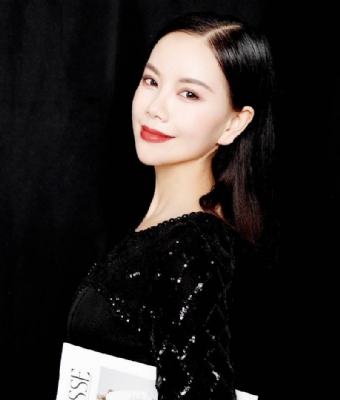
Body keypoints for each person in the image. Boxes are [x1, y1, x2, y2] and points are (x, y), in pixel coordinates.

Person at [63, 10, 277, 400]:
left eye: (189, 93)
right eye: (151, 81)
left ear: (234, 123)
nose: (156, 107)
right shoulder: (170, 232)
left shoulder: (190, 246)